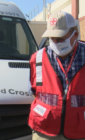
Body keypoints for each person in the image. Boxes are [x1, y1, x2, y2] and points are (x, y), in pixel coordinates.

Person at [28, 11, 85, 140]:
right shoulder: (36, 59)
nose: (55, 42)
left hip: (79, 131)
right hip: (44, 129)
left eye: (60, 38)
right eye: (51, 38)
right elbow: (33, 91)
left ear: (75, 34)